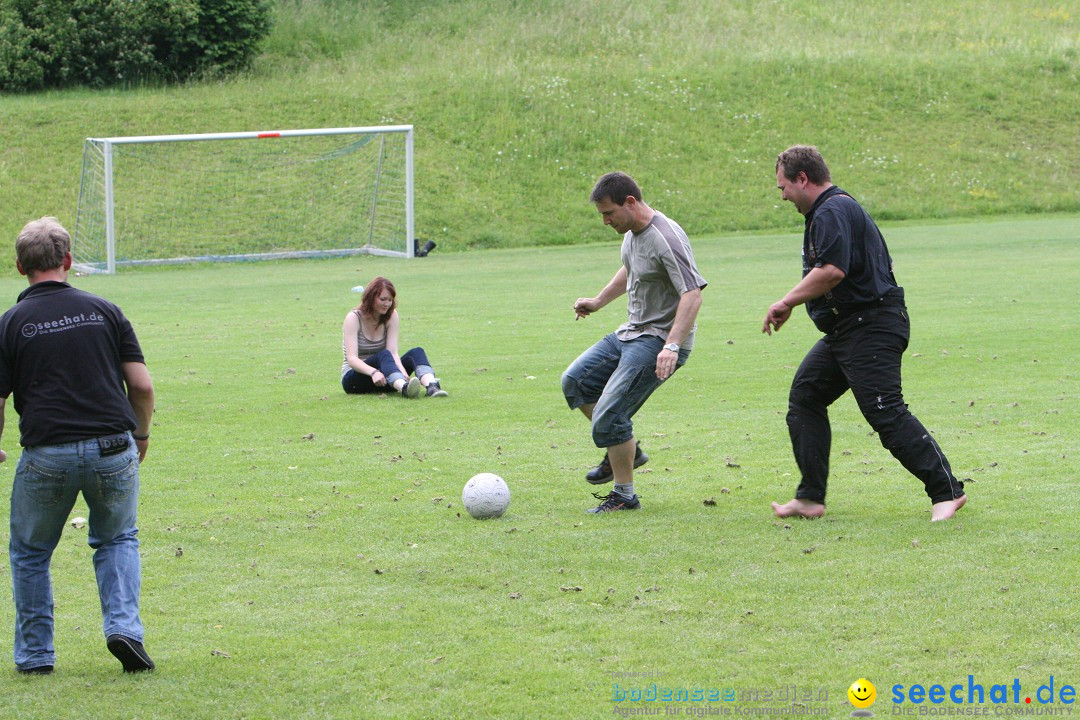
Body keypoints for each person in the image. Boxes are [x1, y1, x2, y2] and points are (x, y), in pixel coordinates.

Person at [763, 146, 967, 522]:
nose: (783, 196)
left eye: (783, 187)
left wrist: (786, 302)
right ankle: (809, 498)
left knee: (884, 410)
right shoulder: (836, 210)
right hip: (849, 327)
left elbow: (832, 272)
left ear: (803, 179)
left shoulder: (831, 210)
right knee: (807, 394)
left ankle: (946, 491)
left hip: (870, 325)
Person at [0, 217, 156, 674]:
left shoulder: (9, 323)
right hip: (113, 446)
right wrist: (140, 434)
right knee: (117, 538)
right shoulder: (107, 310)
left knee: (30, 551)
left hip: (47, 452)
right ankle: (124, 628)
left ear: (19, 266)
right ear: (68, 261)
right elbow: (142, 386)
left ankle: (34, 656)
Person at [562, 172, 706, 513]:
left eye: (608, 213)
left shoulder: (665, 237)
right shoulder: (632, 233)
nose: (605, 221)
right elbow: (630, 270)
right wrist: (598, 301)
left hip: (657, 340)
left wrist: (672, 345)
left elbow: (692, 293)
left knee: (610, 413)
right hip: (631, 332)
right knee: (576, 382)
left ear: (630, 202)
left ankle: (624, 495)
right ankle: (626, 448)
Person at [341, 276, 447, 399]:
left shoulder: (391, 315)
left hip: (386, 377)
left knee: (417, 352)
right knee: (384, 354)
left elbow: (393, 352)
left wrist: (401, 370)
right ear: (371, 298)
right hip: (355, 380)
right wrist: (373, 372)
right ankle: (404, 388)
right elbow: (351, 359)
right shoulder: (353, 318)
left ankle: (432, 386)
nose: (387, 304)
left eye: (390, 300)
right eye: (383, 299)